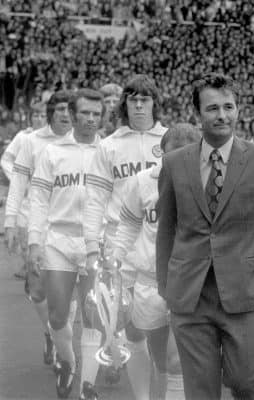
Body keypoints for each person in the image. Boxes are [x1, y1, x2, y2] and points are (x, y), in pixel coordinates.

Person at [156, 73, 254, 400]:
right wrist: (165, 283)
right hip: (191, 296)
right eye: (213, 108)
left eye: (229, 107)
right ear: (197, 115)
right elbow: (166, 228)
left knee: (246, 382)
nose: (222, 115)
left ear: (238, 110)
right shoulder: (174, 163)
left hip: (246, 293)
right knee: (200, 390)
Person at [84, 74, 168, 400]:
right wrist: (93, 247)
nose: (138, 104)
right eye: (132, 98)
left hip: (160, 247)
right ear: (124, 104)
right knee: (129, 329)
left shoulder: (172, 142)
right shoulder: (109, 146)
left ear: (154, 102)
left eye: (144, 99)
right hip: (119, 245)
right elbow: (95, 200)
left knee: (160, 333)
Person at [113, 123, 201, 400]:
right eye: (170, 157)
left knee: (177, 363)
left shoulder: (209, 183)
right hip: (151, 282)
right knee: (162, 360)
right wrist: (113, 258)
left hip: (192, 282)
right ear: (161, 153)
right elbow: (128, 223)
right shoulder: (143, 181)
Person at [27, 89, 103, 400]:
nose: (90, 119)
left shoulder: (108, 151)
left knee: (93, 315)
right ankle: (68, 362)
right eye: (85, 113)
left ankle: (87, 384)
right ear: (71, 115)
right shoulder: (53, 152)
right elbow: (40, 199)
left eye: (96, 114)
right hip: (59, 239)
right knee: (58, 316)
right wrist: (34, 241)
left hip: (96, 242)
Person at [3, 91, 73, 369]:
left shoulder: (83, 141)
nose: (65, 115)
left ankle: (63, 350)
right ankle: (49, 331)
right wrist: (10, 222)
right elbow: (18, 183)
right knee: (38, 289)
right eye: (59, 110)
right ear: (50, 113)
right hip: (37, 222)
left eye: (70, 109)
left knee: (65, 290)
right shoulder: (31, 141)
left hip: (69, 225)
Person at [1, 100, 47, 279]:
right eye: (36, 115)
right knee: (24, 228)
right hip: (27, 194)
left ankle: (42, 265)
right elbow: (6, 159)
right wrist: (19, 181)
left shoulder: (58, 138)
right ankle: (28, 263)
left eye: (43, 115)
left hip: (47, 194)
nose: (39, 119)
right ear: (30, 117)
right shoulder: (23, 137)